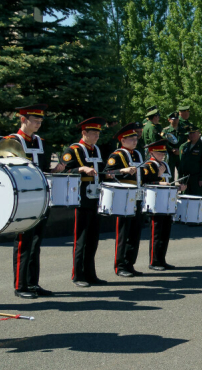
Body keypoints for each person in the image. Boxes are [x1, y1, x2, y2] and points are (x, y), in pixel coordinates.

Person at [6, 104, 58, 299]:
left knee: (36, 241)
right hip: (22, 198)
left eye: (40, 121)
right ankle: (20, 285)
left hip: (40, 196)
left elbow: (44, 170)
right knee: (23, 242)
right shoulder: (11, 142)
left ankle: (33, 282)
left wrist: (56, 170)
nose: (38, 124)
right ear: (23, 120)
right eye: (35, 121)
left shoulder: (41, 142)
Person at [62, 117, 108, 286]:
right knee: (81, 238)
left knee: (93, 238)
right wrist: (81, 169)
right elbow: (64, 170)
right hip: (80, 198)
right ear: (84, 133)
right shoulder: (73, 150)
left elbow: (100, 171)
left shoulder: (96, 150)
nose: (97, 136)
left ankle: (90, 274)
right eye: (93, 133)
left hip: (95, 198)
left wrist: (107, 175)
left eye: (98, 133)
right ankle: (78, 275)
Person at [105, 122, 146, 277]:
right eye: (131, 139)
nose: (135, 141)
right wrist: (122, 170)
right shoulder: (117, 155)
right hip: (123, 197)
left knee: (135, 231)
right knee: (123, 232)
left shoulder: (137, 154)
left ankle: (130, 263)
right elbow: (108, 173)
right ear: (122, 140)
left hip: (137, 195)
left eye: (136, 138)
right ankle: (120, 265)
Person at [140, 140, 177, 271]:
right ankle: (154, 261)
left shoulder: (164, 164)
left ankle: (162, 259)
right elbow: (144, 182)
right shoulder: (148, 165)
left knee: (165, 233)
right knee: (156, 233)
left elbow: (168, 181)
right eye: (159, 152)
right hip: (155, 202)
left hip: (166, 202)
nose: (162, 155)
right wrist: (158, 177)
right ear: (152, 152)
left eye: (163, 152)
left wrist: (177, 186)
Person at [178, 127, 202, 204]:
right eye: (190, 133)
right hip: (185, 177)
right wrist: (180, 176)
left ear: (199, 133)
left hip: (197, 178)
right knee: (185, 199)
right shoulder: (184, 146)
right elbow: (181, 163)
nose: (191, 135)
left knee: (197, 199)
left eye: (193, 133)